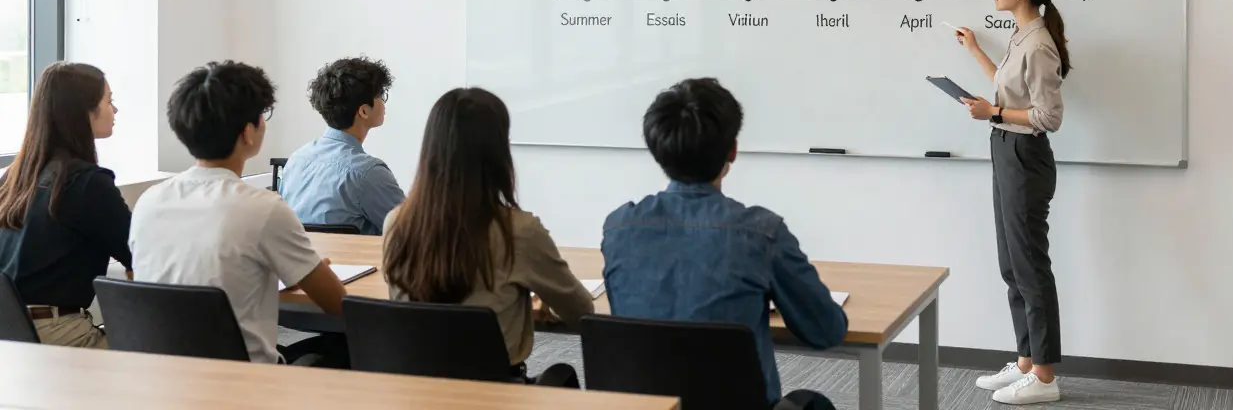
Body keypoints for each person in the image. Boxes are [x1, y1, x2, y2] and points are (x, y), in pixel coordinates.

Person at [601, 78, 847, 410]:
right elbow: (825, 330)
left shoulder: (619, 227)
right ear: (732, 150)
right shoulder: (762, 233)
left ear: (657, 149)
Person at [130, 61, 347, 365]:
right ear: (248, 132)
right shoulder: (263, 209)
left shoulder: (148, 203)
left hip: (164, 387)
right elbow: (337, 302)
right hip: (245, 390)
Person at [382, 87, 589, 387]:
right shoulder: (519, 231)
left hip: (417, 395)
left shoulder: (395, 223)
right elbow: (581, 311)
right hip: (496, 397)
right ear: (497, 153)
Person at [954, 0, 1069, 405]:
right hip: (1005, 148)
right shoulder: (1021, 34)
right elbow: (1008, 84)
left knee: (1030, 267)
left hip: (1024, 154)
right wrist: (976, 54)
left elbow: (1048, 116)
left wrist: (994, 112)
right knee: (1011, 263)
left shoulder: (1039, 44)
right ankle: (1026, 360)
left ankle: (1044, 377)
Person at [0, 63, 131, 348]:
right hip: (57, 334)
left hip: (11, 331)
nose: (115, 110)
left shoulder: (12, 177)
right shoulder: (87, 184)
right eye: (109, 100)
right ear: (83, 111)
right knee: (160, 358)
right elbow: (140, 257)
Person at [281, 57, 403, 235]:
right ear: (363, 111)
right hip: (361, 262)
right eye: (380, 95)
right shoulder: (368, 173)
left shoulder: (296, 161)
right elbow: (415, 232)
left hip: (307, 262)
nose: (384, 103)